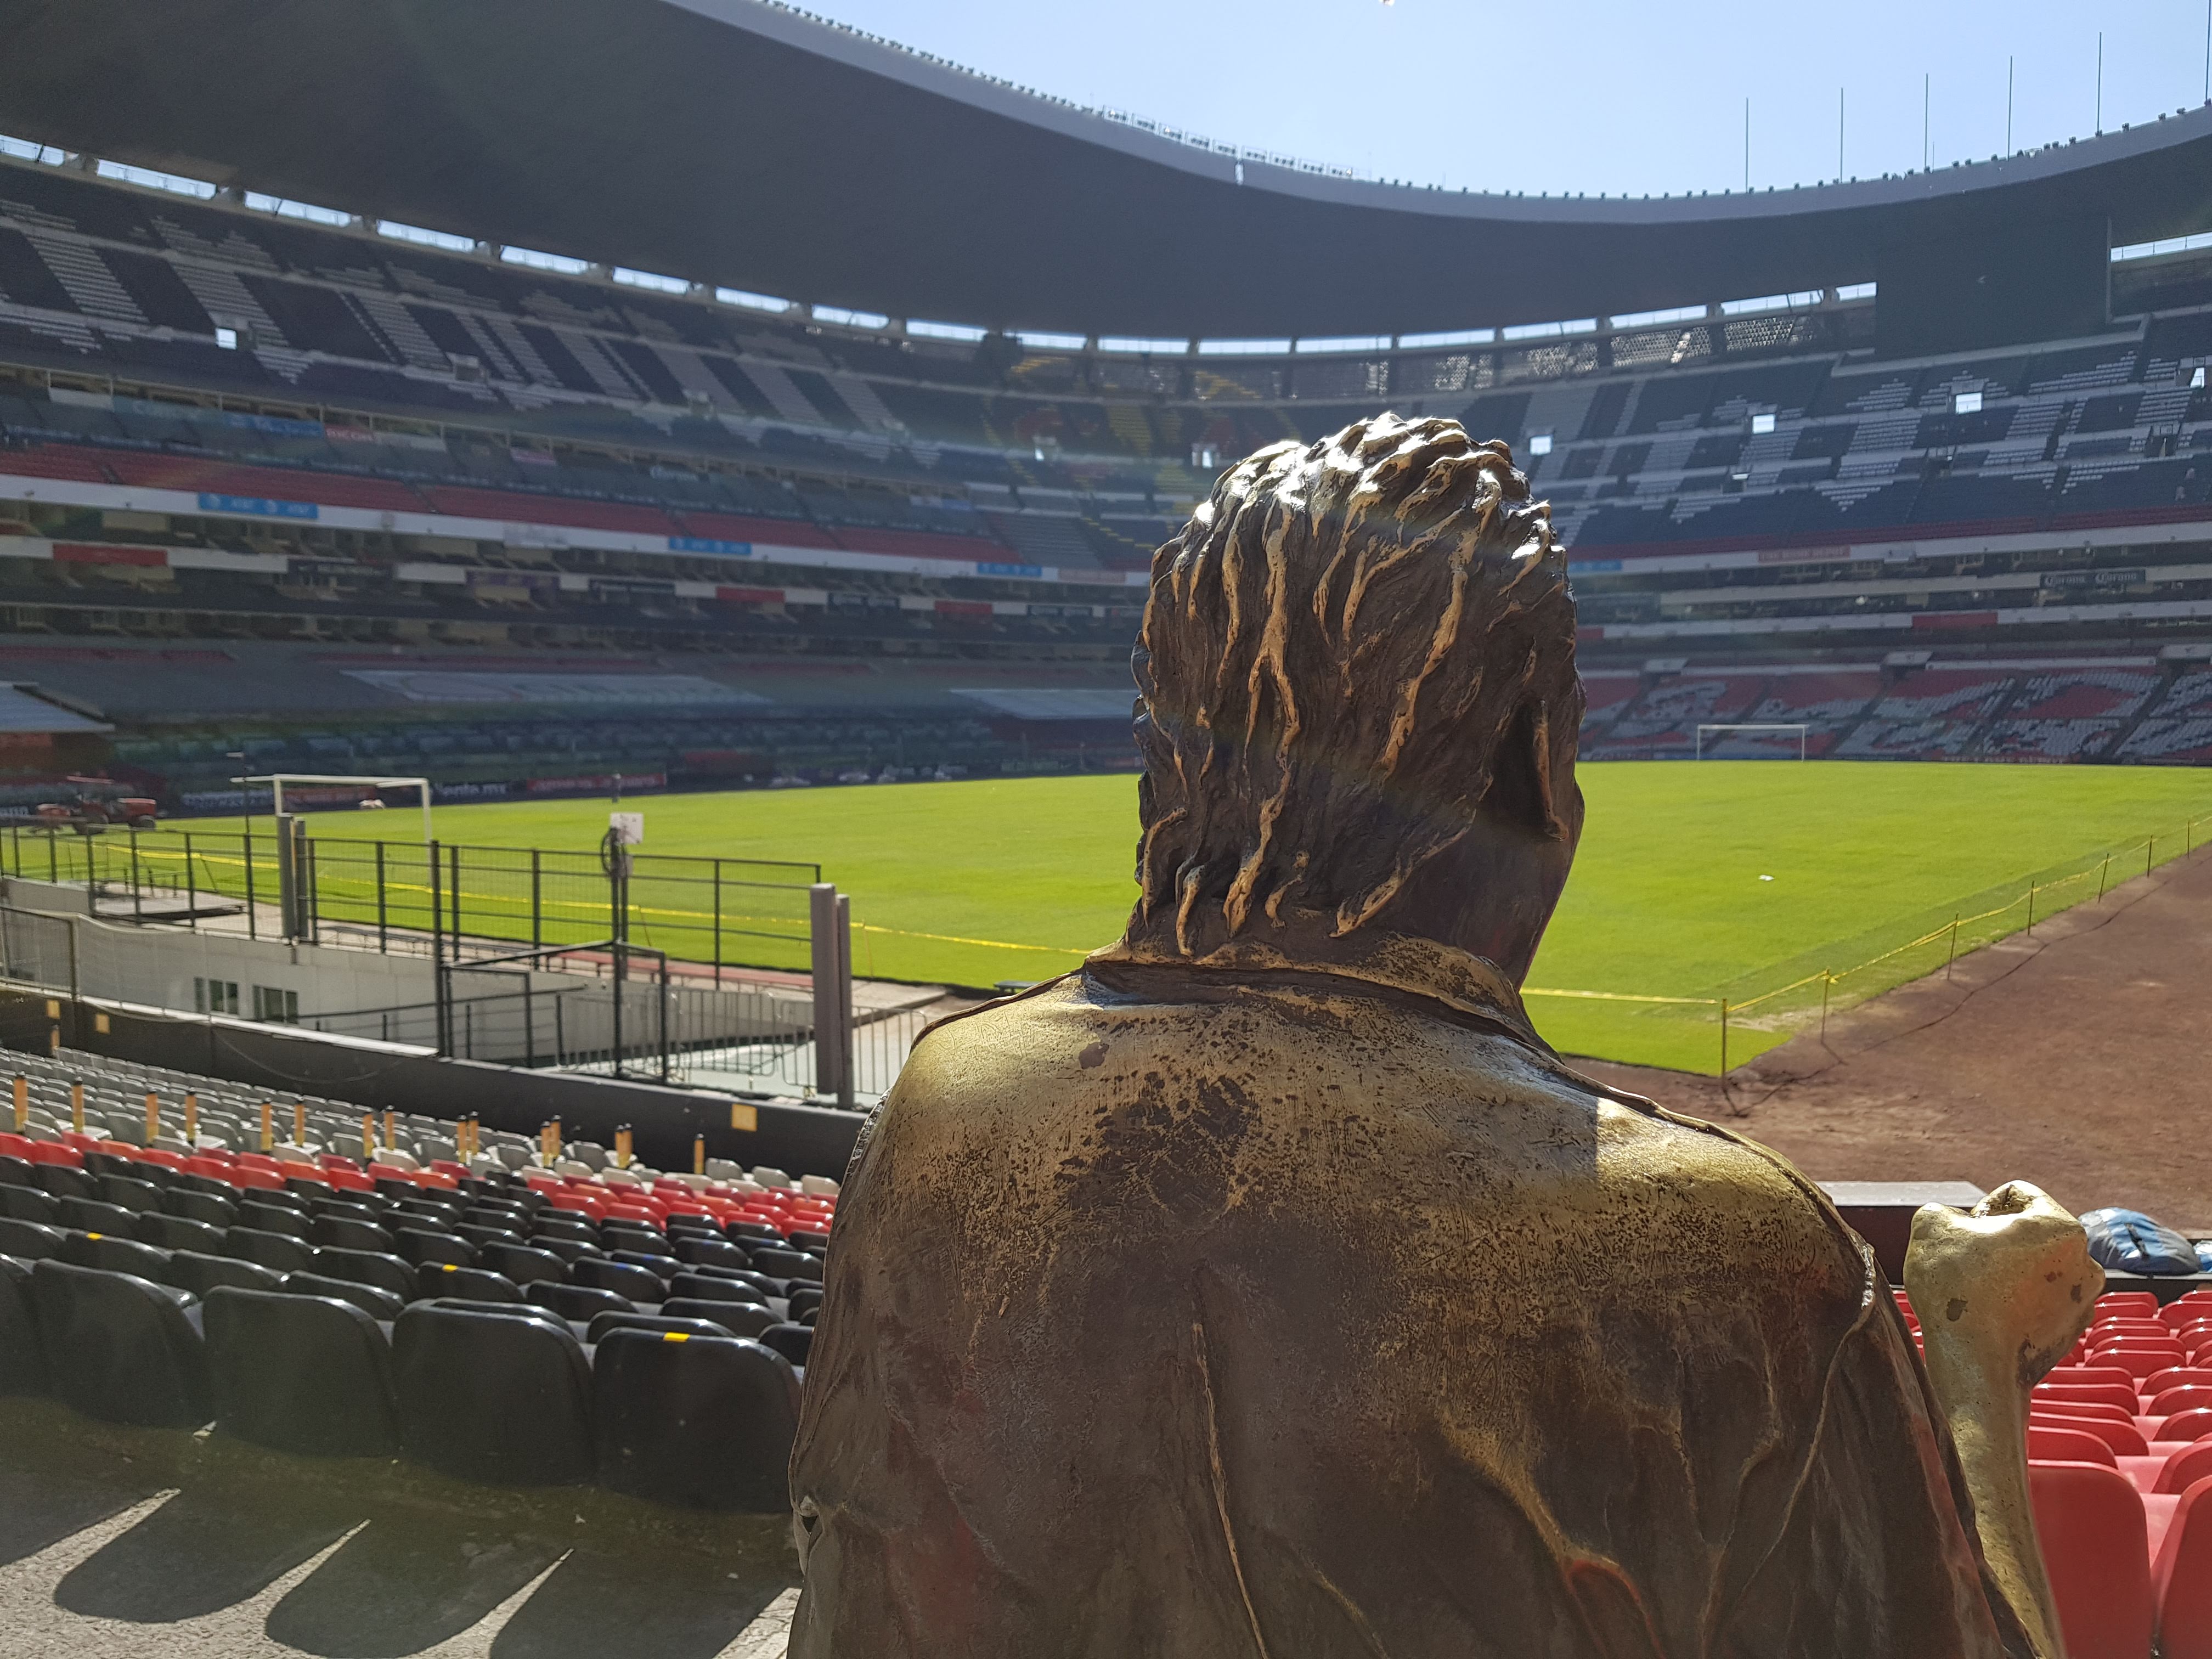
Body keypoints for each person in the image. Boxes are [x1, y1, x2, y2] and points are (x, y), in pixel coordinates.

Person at [788, 414, 2095, 1658]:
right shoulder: (1725, 1256)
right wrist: (1974, 1354)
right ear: (1537, 764)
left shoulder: (935, 1107)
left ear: (1165, 761)